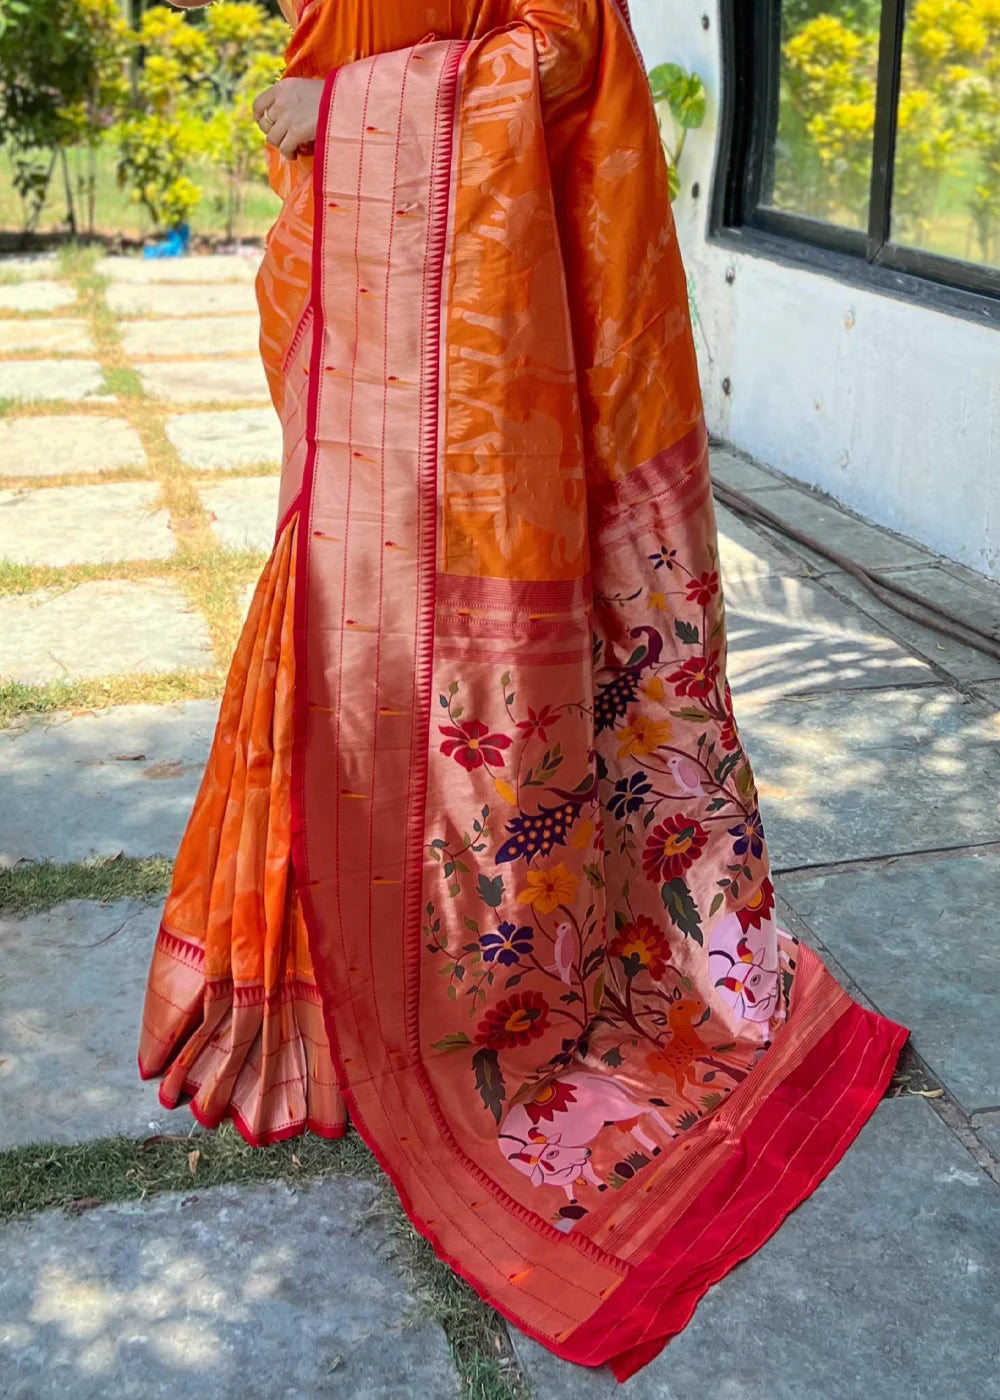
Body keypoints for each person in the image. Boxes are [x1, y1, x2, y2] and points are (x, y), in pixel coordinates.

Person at [141, 0, 909, 1379]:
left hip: (482, 311)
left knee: (450, 658)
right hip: (367, 267)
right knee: (337, 616)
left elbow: (557, 50)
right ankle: (299, 982)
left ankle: (467, 988)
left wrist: (360, 116)